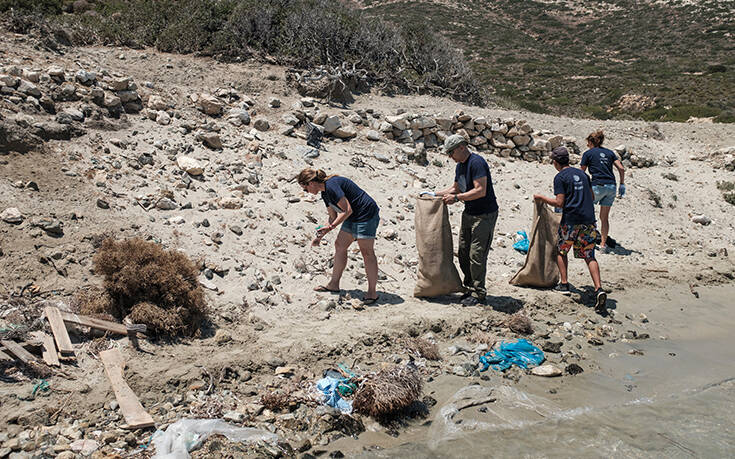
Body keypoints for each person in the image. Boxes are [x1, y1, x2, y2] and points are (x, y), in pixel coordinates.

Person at [534, 147, 607, 312]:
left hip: (571, 221)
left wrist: (541, 198)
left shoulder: (560, 177)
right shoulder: (583, 175)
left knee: (561, 250)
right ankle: (598, 289)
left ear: (555, 162)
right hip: (589, 221)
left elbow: (559, 203)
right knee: (589, 255)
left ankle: (564, 284)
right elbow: (592, 197)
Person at [297, 168, 381, 305]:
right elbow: (332, 217)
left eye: (305, 189)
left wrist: (331, 227)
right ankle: (334, 284)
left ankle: (372, 292)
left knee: (367, 252)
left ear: (311, 183)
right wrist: (320, 235)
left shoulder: (332, 185)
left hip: (366, 214)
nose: (306, 192)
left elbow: (347, 210)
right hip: (352, 216)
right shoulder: (325, 194)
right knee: (340, 245)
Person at [436, 134, 499, 306]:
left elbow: (480, 190)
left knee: (476, 254)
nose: (450, 157)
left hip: (484, 214)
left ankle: (479, 293)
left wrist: (456, 198)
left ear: (461, 147)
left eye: (451, 152)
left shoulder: (477, 163)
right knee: (463, 252)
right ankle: (469, 287)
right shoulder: (460, 166)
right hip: (469, 213)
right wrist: (434, 194)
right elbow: (455, 188)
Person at [580, 130, 625, 252]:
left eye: (588, 143)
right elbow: (621, 168)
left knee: (586, 212)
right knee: (604, 218)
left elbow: (581, 172)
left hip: (597, 186)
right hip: (611, 186)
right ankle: (603, 245)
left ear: (590, 141)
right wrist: (622, 183)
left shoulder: (588, 154)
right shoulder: (610, 153)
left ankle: (587, 240)